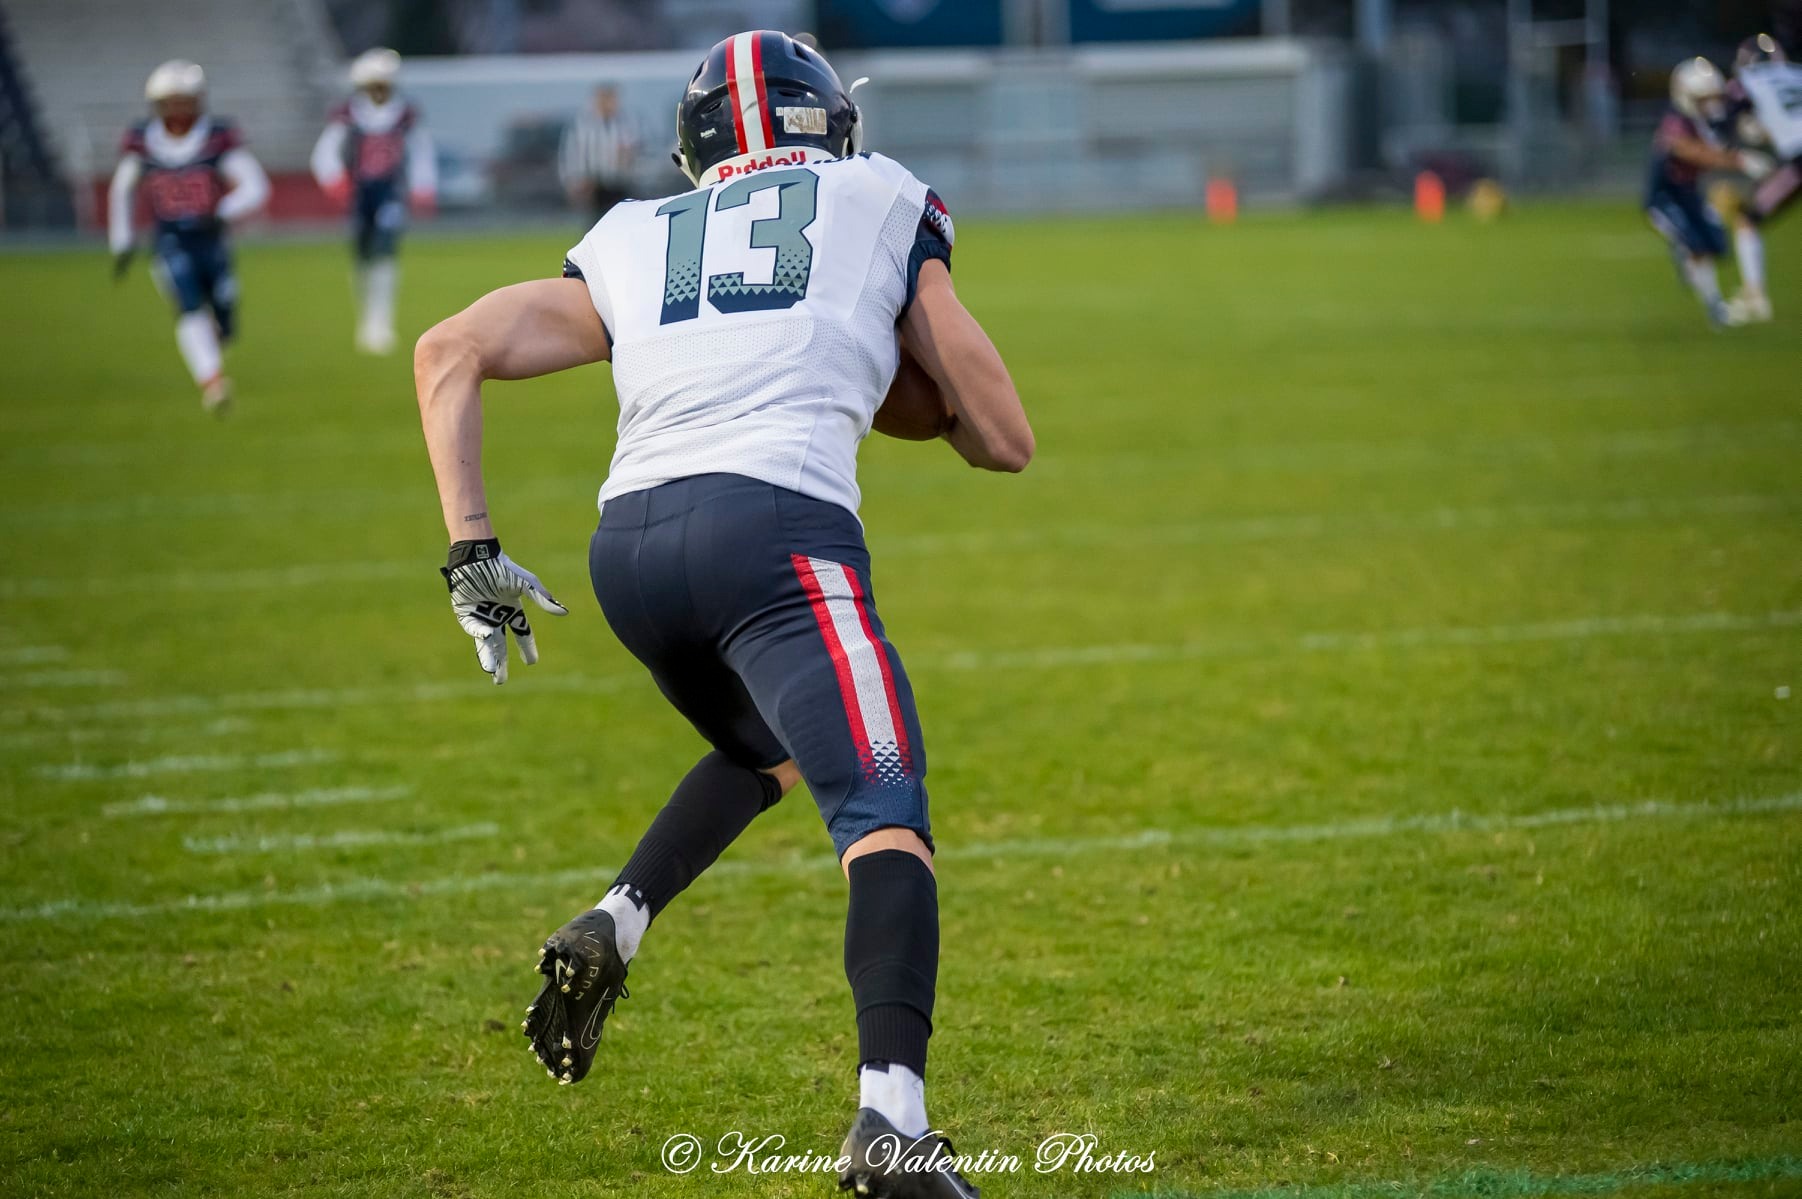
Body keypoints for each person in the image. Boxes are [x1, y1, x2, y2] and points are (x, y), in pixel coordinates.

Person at [414, 30, 1030, 1198]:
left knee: (765, 745)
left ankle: (617, 917)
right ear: (819, 121)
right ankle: (890, 1117)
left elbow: (448, 350)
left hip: (629, 552)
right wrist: (932, 392)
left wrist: (471, 550)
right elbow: (1000, 435)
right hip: (773, 534)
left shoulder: (634, 231)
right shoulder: (873, 191)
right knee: (882, 801)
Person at [109, 60, 269, 414]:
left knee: (225, 313)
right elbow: (122, 190)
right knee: (189, 303)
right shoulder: (144, 144)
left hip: (212, 240)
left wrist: (222, 212)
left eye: (185, 101)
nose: (179, 111)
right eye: (172, 102)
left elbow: (255, 185)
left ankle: (215, 346)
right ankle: (212, 382)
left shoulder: (215, 138)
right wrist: (121, 241)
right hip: (170, 241)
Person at [311, 48, 438, 355]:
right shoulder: (349, 115)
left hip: (390, 192)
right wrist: (335, 180)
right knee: (363, 255)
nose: (379, 92)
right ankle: (366, 322)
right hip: (360, 193)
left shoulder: (405, 114)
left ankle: (381, 323)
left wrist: (423, 185)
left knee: (385, 249)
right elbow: (325, 152)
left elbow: (421, 151)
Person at [1643, 57, 1772, 328]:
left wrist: (1754, 131)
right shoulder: (1675, 122)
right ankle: (1715, 306)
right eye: (1704, 98)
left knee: (1717, 246)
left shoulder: (1707, 121)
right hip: (1665, 197)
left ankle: (1692, 264)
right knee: (1696, 246)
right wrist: (1740, 161)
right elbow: (1692, 152)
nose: (1711, 104)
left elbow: (1735, 130)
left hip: (1692, 193)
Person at [1722, 34, 1802, 323]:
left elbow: (1725, 120)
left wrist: (1738, 147)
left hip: (1798, 158)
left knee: (1747, 219)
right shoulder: (1796, 74)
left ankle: (1755, 297)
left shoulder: (1749, 81)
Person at [558, 85, 640, 218]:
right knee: (596, 222)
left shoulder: (626, 122)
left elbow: (635, 148)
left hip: (621, 182)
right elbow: (573, 154)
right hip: (594, 184)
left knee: (622, 221)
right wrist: (574, 180)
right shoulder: (583, 124)